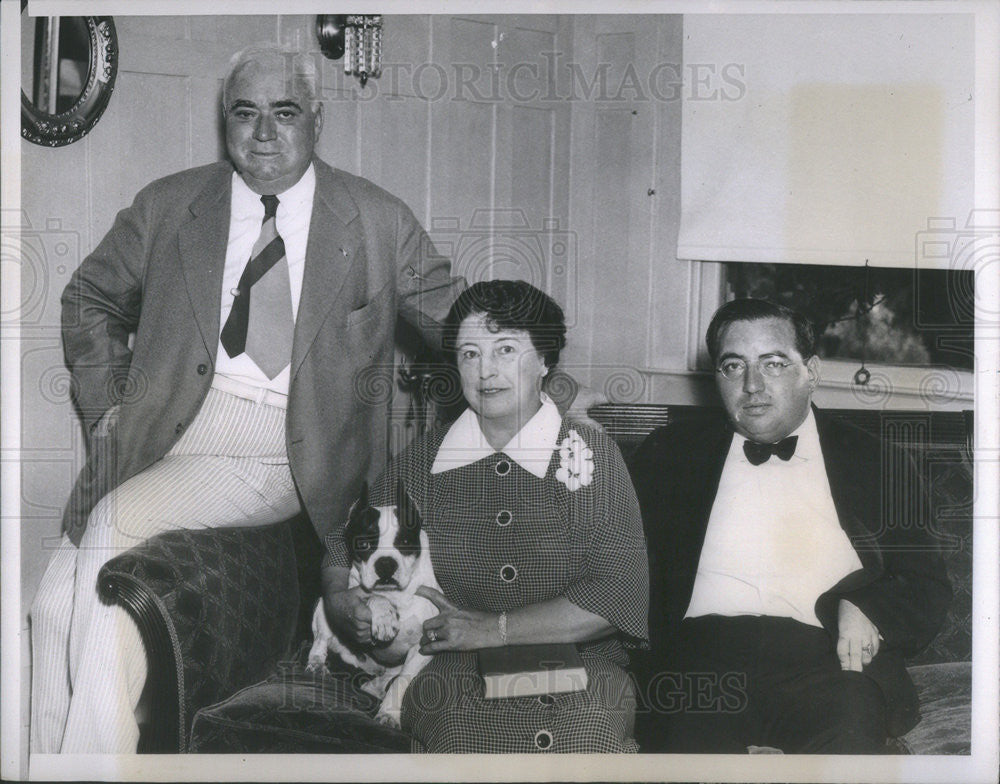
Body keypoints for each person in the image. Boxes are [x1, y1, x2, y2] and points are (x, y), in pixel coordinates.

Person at [27, 45, 473, 754]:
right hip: (165, 434)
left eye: (285, 112)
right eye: (246, 112)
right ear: (224, 121)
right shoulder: (170, 204)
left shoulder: (378, 220)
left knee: (110, 527)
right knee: (53, 606)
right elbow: (88, 296)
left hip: (281, 451)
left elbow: (464, 320)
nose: (264, 131)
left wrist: (542, 386)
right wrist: (108, 401)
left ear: (316, 121)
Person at [323, 280, 649, 752]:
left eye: (506, 349)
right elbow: (340, 544)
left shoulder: (589, 455)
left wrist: (494, 629)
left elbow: (616, 593)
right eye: (469, 354)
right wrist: (340, 601)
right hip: (449, 665)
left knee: (581, 741)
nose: (486, 370)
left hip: (583, 662)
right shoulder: (426, 459)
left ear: (545, 360)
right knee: (469, 746)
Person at [630, 298, 952, 753]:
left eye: (774, 363)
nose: (753, 385)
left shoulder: (881, 462)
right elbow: (618, 565)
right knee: (687, 751)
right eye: (733, 367)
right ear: (717, 378)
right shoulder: (669, 455)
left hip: (826, 662)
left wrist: (867, 607)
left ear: (813, 373)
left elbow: (927, 584)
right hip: (700, 663)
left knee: (849, 736)